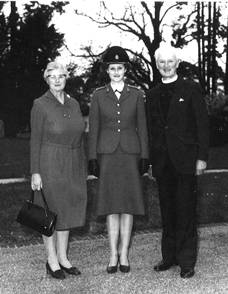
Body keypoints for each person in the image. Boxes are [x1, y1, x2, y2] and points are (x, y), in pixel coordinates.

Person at [145, 43, 209, 279]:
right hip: (162, 163)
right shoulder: (151, 95)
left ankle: (187, 261)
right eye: (161, 62)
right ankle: (169, 257)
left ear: (177, 63)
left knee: (186, 211)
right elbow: (152, 131)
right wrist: (151, 162)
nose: (165, 66)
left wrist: (201, 157)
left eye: (170, 61)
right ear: (157, 64)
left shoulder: (190, 89)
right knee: (167, 211)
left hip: (186, 161)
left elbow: (202, 125)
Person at [87, 46, 149, 274]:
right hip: (108, 155)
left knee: (129, 205)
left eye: (119, 68)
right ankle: (113, 254)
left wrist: (144, 156)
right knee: (112, 206)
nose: (116, 72)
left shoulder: (137, 94)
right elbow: (94, 128)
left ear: (126, 70)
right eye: (112, 68)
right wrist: (92, 157)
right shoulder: (98, 95)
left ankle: (125, 254)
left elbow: (142, 127)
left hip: (130, 154)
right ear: (107, 70)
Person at [30, 61, 87, 280]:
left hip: (72, 160)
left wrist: (81, 165)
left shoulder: (73, 103)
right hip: (50, 162)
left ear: (66, 78)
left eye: (61, 76)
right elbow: (35, 140)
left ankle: (63, 257)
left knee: (68, 209)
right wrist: (35, 172)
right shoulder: (40, 104)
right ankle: (52, 260)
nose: (57, 80)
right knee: (50, 212)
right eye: (52, 76)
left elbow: (80, 135)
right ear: (46, 79)